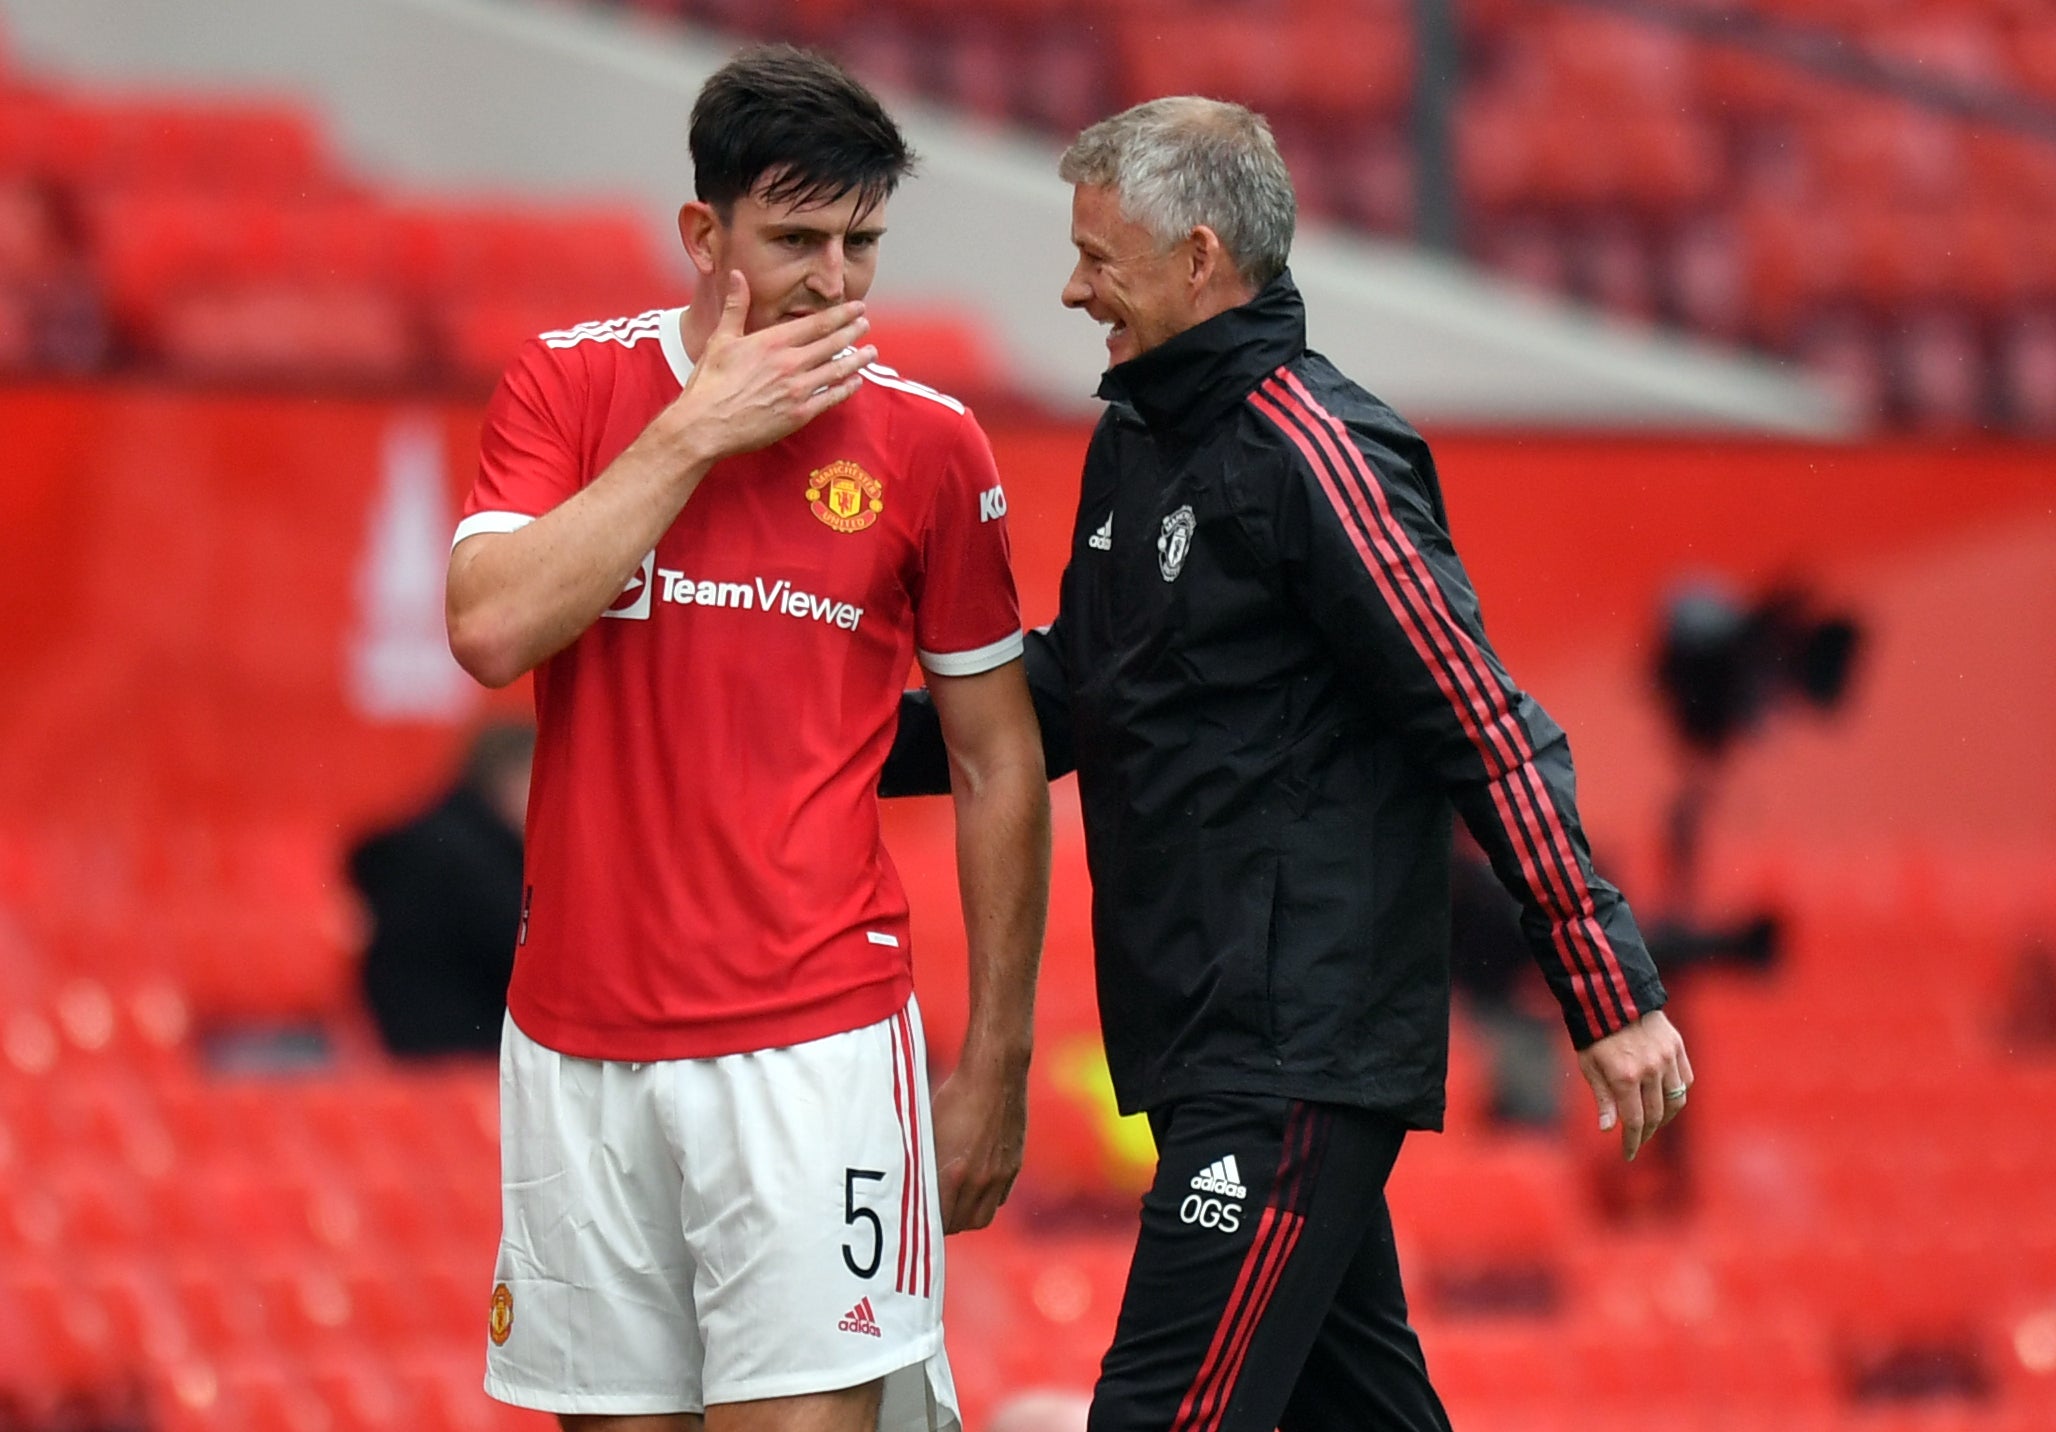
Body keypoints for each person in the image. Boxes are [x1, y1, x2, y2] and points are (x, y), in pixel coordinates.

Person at [882, 97, 1691, 1432]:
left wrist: (1607, 989)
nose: (1072, 289)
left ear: (1201, 258)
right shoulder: (1136, 441)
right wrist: (834, 736)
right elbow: (1072, 696)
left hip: (1290, 1051)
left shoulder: (1321, 452)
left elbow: (1482, 721)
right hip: (1214, 1038)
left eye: (1100, 257)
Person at [444, 45, 1051, 1432]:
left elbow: (996, 759)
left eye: (861, 244)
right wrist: (695, 433)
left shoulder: (932, 445)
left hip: (815, 1048)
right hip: (577, 1042)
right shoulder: (567, 388)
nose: (833, 283)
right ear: (701, 236)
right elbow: (489, 630)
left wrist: (997, 1064)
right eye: (793, 242)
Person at [349, 720, 534, 1057]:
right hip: (461, 1051)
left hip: (423, 1046)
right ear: (511, 779)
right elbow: (526, 952)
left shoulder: (437, 839)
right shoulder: (469, 858)